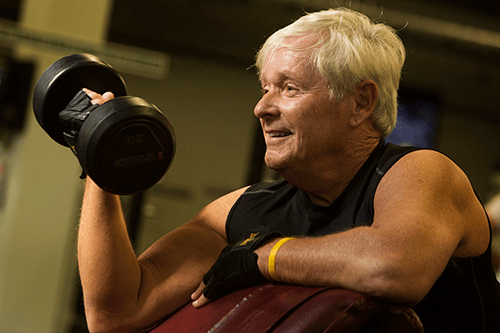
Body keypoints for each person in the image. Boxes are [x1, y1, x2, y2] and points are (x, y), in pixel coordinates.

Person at [77, 7, 500, 333]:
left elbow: (392, 266)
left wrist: (263, 257)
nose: (262, 108)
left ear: (361, 102)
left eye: (289, 88)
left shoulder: (419, 172)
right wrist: (101, 160)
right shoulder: (243, 211)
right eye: (265, 88)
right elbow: (116, 314)